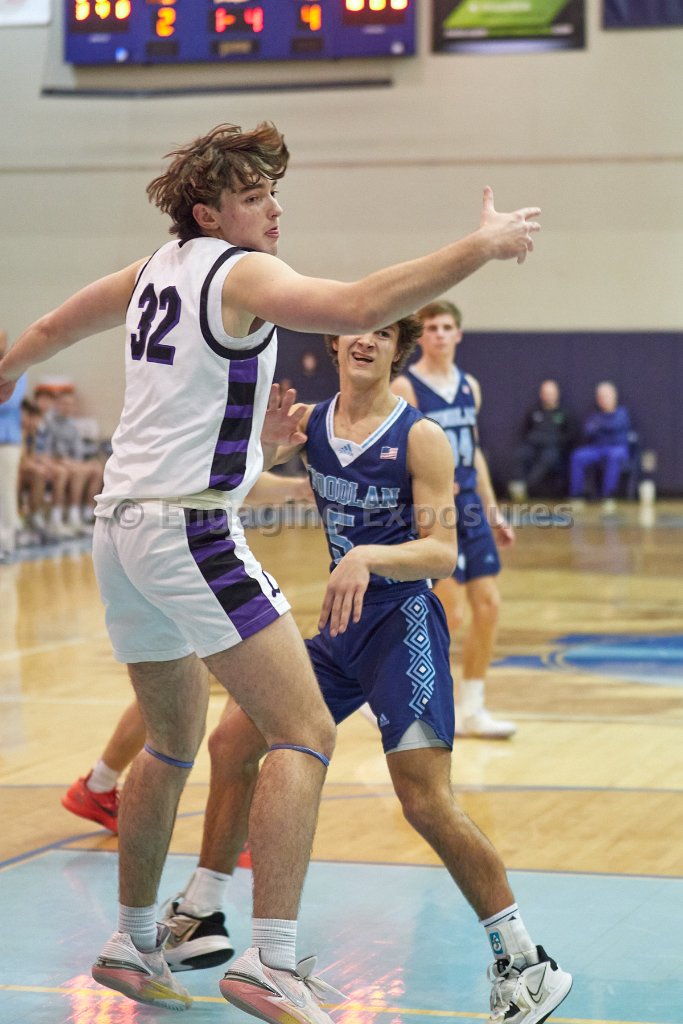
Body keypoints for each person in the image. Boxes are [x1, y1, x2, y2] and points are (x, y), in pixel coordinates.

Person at [0, 120, 540, 1018]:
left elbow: (52, 327)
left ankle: (132, 940)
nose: (273, 210)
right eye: (253, 197)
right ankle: (270, 960)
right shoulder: (236, 270)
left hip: (119, 530)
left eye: (272, 192)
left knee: (170, 742)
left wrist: (8, 369)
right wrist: (478, 247)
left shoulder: (148, 273)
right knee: (302, 730)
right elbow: (359, 304)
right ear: (209, 215)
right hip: (188, 530)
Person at [161, 315, 572, 1024]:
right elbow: (249, 491)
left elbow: (441, 552)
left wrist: (367, 556)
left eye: (383, 335)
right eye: (357, 330)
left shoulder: (419, 436)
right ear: (333, 343)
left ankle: (526, 962)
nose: (366, 341)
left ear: (395, 351)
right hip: (338, 630)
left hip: (400, 625)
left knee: (424, 800)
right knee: (232, 741)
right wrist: (263, 449)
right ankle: (202, 911)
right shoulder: (310, 422)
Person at [60, 469, 314, 837]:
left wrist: (297, 488)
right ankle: (233, 839)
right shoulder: (211, 442)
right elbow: (236, 472)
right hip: (180, 537)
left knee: (178, 678)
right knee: (250, 671)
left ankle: (98, 784)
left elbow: (240, 476)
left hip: (136, 534)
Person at [391, 300, 515, 739]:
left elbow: (474, 452)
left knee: (489, 606)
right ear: (421, 336)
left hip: (472, 511)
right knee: (451, 614)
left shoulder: (469, 386)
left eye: (447, 327)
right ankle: (416, 703)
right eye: (432, 327)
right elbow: (402, 457)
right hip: (438, 511)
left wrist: (494, 511)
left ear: (459, 334)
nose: (440, 334)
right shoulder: (406, 387)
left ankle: (474, 709)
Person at [569, 381, 632, 514]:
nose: (603, 399)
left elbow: (615, 425)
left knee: (613, 456)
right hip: (597, 449)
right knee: (578, 456)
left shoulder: (622, 413)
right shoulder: (594, 415)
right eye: (601, 397)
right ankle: (576, 495)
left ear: (614, 396)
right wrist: (604, 426)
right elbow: (587, 431)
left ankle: (608, 496)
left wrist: (600, 425)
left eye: (606, 396)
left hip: (617, 448)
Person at [508, 379, 578, 500]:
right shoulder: (534, 411)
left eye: (551, 393)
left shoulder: (564, 413)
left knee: (549, 457)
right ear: (541, 394)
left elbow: (570, 435)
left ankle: (526, 486)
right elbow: (525, 430)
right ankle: (518, 485)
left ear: (557, 394)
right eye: (546, 393)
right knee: (520, 454)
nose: (548, 396)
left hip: (553, 448)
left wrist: (556, 441)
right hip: (533, 446)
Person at [0, 329, 26, 560]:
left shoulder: (15, 367)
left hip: (6, 444)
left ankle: (5, 542)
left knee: (5, 493)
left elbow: (8, 402)